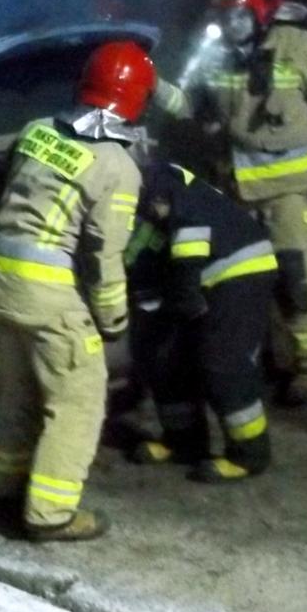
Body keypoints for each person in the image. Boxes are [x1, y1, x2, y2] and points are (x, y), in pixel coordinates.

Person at [153, 0, 307, 405]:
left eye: (240, 16)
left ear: (263, 11)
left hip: (287, 197)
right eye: (225, 16)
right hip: (234, 199)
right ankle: (254, 360)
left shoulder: (301, 49)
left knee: (295, 279)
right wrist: (150, 85)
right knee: (237, 287)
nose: (231, 26)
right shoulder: (219, 55)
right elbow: (189, 104)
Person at [0, 41, 151, 542]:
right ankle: (50, 514)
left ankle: (9, 484)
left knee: (17, 393)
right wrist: (113, 320)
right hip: (46, 290)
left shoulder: (37, 130)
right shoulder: (117, 167)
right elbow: (104, 257)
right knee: (78, 398)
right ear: (134, 101)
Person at [122, 161, 279, 482]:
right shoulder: (141, 191)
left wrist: (185, 301)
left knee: (222, 361)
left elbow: (187, 245)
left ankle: (250, 454)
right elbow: (143, 256)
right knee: (164, 357)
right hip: (197, 277)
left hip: (239, 271)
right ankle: (183, 442)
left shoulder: (161, 184)